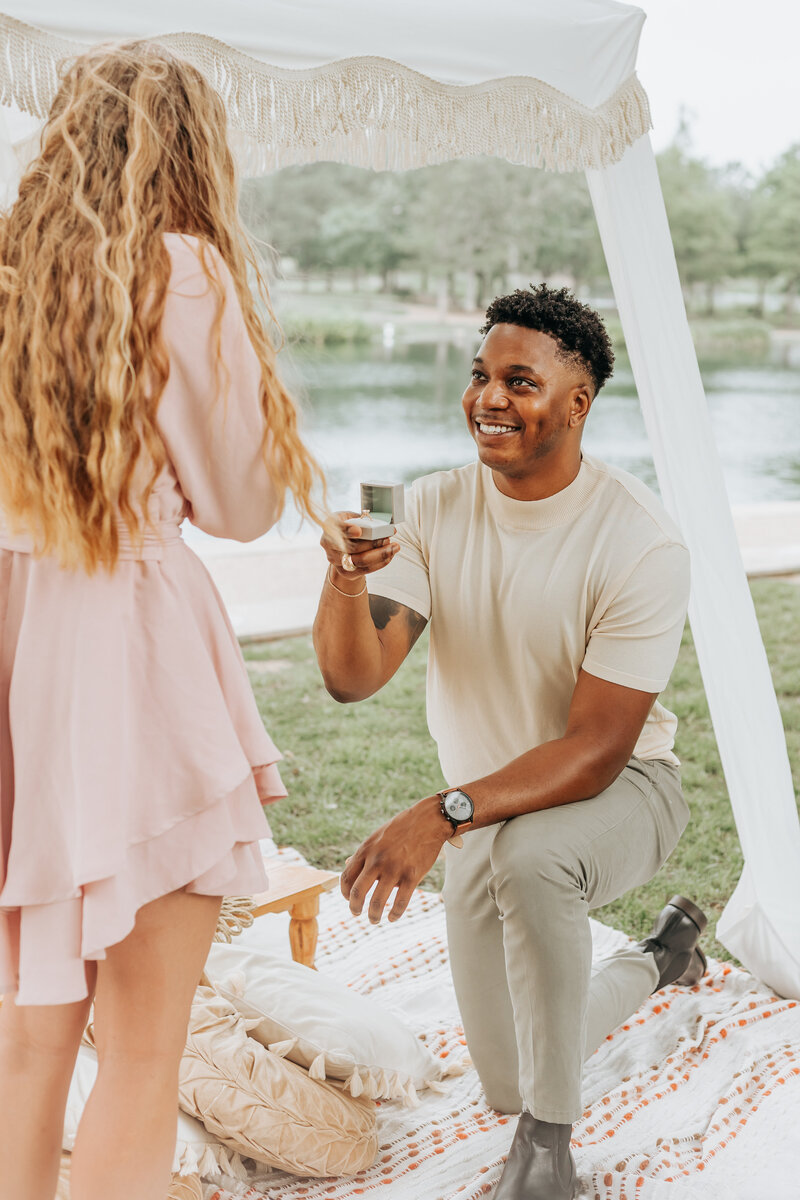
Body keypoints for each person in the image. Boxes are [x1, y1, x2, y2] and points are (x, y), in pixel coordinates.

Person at [0, 44, 328, 1200]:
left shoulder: (6, 269)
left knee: (30, 1039)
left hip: (15, 640)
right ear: (190, 149)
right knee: (143, 1052)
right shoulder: (181, 273)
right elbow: (241, 507)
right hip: (127, 651)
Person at [313, 285, 707, 1199]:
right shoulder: (435, 511)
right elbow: (351, 676)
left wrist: (445, 812)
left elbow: (598, 747)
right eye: (480, 375)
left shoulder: (640, 541)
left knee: (533, 864)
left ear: (578, 403)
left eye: (519, 381)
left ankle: (548, 1153)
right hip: (489, 813)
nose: (488, 397)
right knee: (509, 1074)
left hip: (624, 790)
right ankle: (660, 960)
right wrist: (342, 576)